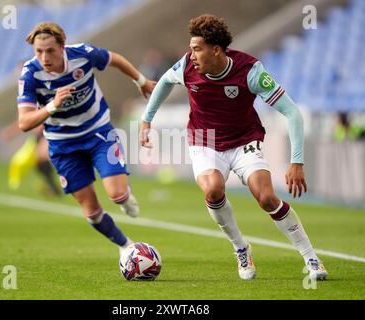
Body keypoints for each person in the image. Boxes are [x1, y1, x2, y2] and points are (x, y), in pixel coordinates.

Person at [139, 14, 327, 280]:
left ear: (216, 50)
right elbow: (164, 84)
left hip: (243, 141)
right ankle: (241, 247)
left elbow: (293, 112)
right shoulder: (186, 67)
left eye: (196, 49)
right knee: (213, 189)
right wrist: (146, 120)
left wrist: (297, 162)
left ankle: (311, 258)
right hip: (205, 140)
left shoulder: (250, 71)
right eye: (191, 48)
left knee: (266, 198)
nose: (191, 55)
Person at [17, 22, 155, 254]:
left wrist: (141, 81)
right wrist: (52, 106)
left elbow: (115, 60)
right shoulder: (30, 74)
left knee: (118, 195)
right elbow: (24, 122)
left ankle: (125, 197)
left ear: (62, 46)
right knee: (91, 211)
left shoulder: (83, 54)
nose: (44, 57)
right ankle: (126, 247)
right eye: (38, 51)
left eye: (50, 50)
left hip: (98, 132)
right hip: (62, 145)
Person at [0, 122, 61, 196]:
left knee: (43, 157)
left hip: (51, 133)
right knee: (39, 161)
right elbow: (23, 122)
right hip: (40, 136)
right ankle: (53, 186)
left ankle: (58, 184)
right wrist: (11, 132)